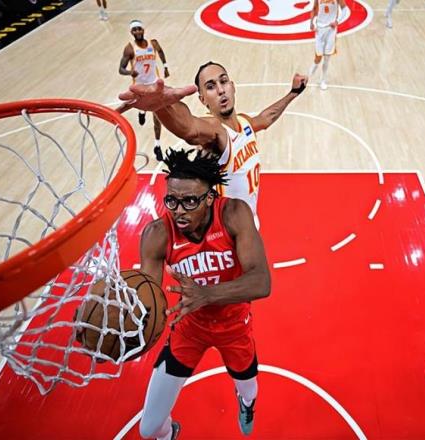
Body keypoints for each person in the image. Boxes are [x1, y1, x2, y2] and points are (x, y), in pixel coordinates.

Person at [138, 147, 271, 440]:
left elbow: (261, 282)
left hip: (234, 327)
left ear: (209, 197)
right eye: (172, 200)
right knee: (148, 430)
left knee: (249, 390)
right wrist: (120, 329)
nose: (179, 210)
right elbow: (147, 301)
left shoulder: (234, 213)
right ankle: (169, 434)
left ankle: (245, 403)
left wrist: (206, 294)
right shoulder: (157, 234)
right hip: (189, 329)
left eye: (189, 201)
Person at [117, 62, 307, 218]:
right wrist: (160, 106)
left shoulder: (244, 123)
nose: (220, 90)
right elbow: (190, 129)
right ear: (202, 100)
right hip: (226, 238)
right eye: (210, 87)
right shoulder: (215, 130)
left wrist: (293, 93)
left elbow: (266, 118)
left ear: (233, 86)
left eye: (223, 81)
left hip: (248, 224)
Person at [119, 19, 170, 155]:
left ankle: (157, 146)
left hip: (154, 84)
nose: (137, 31)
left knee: (157, 114)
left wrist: (165, 66)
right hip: (139, 86)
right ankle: (142, 112)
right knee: (139, 105)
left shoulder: (153, 43)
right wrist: (130, 72)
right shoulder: (130, 48)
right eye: (134, 30)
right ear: (131, 32)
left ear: (143, 30)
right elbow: (121, 69)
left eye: (139, 29)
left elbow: (161, 52)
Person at [308, 0, 348, 91]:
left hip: (331, 30)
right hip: (320, 29)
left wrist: (337, 21)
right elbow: (314, 9)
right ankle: (309, 75)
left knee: (327, 58)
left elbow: (344, 8)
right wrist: (311, 22)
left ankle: (323, 80)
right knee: (318, 58)